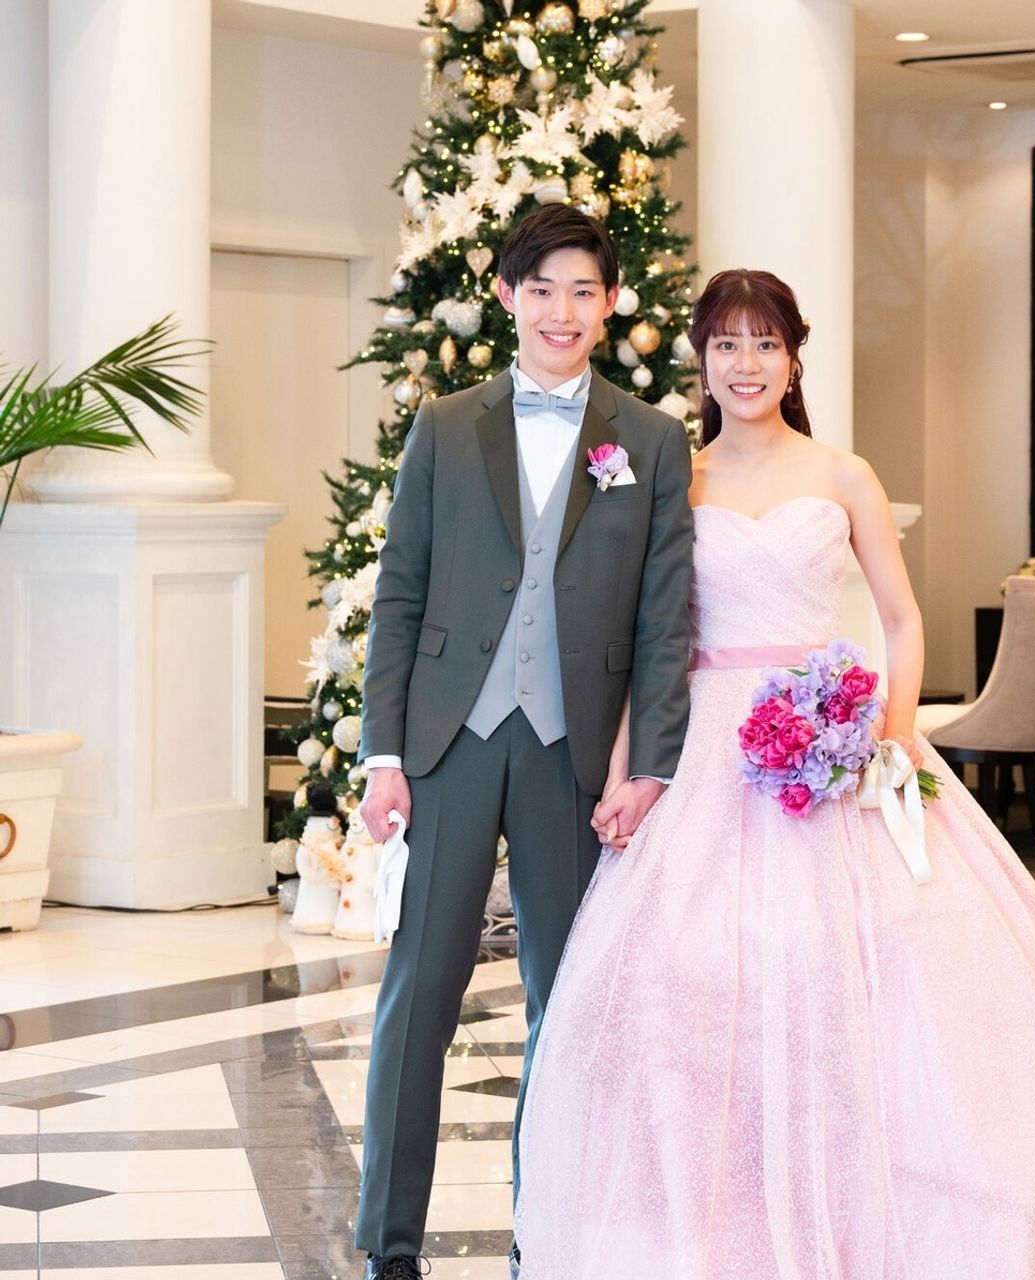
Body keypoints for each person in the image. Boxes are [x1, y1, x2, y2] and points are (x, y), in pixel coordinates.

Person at [512, 269, 1035, 1278]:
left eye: (765, 345)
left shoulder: (843, 473)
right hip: (705, 744)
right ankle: (720, 1215)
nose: (745, 365)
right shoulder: (674, 477)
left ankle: (881, 1201)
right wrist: (624, 769)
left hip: (835, 737)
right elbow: (653, 643)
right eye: (726, 345)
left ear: (793, 360)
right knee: (691, 973)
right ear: (700, 360)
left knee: (877, 971)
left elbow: (901, 621)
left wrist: (890, 733)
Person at [354, 204, 695, 1280]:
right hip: (449, 744)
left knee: (569, 1002)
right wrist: (382, 753)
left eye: (583, 291)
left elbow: (666, 620)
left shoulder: (651, 440)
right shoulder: (446, 424)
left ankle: (541, 1229)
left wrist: (650, 767)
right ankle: (389, 1243)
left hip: (572, 755)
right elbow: (399, 594)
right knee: (420, 994)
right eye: (542, 289)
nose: (562, 310)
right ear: (507, 296)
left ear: (610, 303)